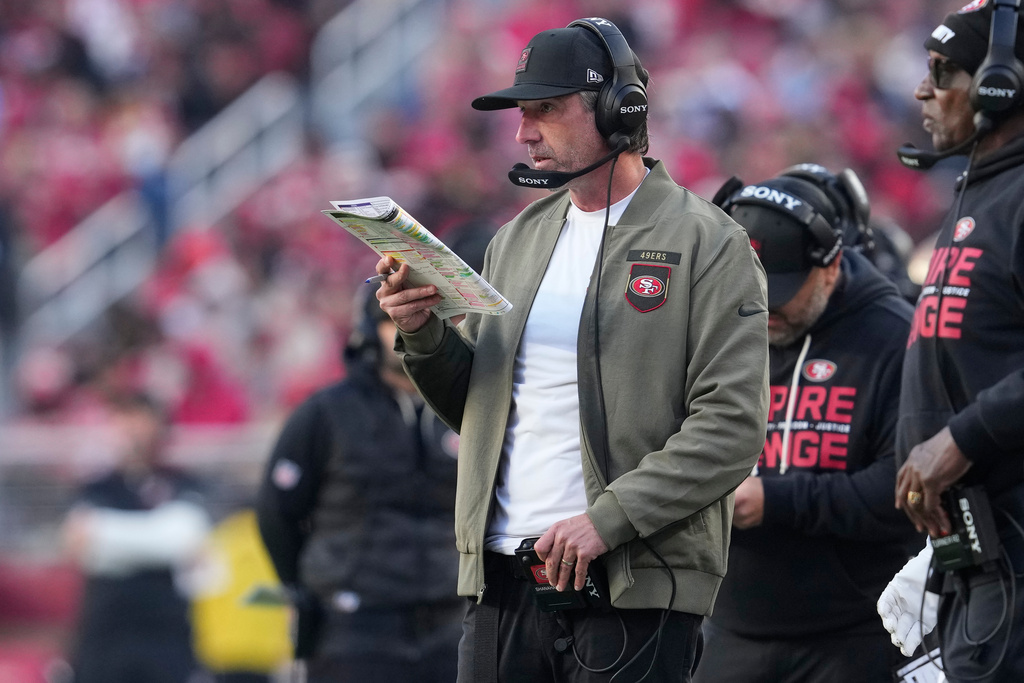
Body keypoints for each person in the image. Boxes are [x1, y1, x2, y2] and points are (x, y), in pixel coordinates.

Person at [373, 17, 769, 683]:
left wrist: (605, 521)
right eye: (523, 113)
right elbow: (480, 406)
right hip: (501, 579)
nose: (525, 132)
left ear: (621, 111)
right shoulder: (516, 239)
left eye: (546, 110)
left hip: (631, 587)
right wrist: (423, 332)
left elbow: (731, 428)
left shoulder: (710, 243)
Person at [691, 167, 922, 682]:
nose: (764, 307)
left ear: (831, 266)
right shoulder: (718, 322)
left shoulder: (893, 338)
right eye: (749, 289)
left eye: (784, 289)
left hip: (859, 634)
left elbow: (907, 490)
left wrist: (775, 501)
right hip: (729, 628)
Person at [882, 1, 1024, 681]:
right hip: (981, 556)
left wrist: (960, 438)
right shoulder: (982, 192)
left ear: (1002, 85)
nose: (922, 90)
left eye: (942, 72)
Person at [255, 290, 464, 683]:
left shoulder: (470, 409)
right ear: (370, 329)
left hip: (451, 621)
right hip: (353, 627)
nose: (410, 328)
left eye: (428, 317)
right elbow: (275, 513)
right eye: (394, 318)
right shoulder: (325, 414)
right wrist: (302, 589)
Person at [62, 391, 211, 683]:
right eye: (123, 420)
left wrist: (107, 538)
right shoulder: (95, 488)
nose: (132, 430)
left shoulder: (184, 483)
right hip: (106, 634)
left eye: (140, 420)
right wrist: (159, 537)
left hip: (167, 636)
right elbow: (79, 544)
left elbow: (189, 542)